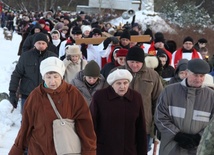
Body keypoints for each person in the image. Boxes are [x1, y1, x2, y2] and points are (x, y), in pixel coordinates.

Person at [8, 57, 96, 155]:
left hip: (66, 150)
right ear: (43, 77)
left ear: (61, 76)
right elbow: (26, 127)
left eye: (56, 76)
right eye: (48, 77)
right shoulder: (35, 96)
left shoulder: (72, 93)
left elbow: (85, 125)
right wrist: (16, 151)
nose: (52, 81)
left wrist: (89, 151)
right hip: (39, 149)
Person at [155, 58, 214, 155]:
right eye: (195, 75)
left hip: (197, 149)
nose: (198, 79)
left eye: (202, 76)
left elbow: (212, 124)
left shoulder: (211, 96)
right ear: (187, 73)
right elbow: (160, 117)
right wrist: (177, 135)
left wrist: (199, 137)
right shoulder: (169, 91)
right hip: (171, 149)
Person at [90, 69, 147, 155]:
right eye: (118, 83)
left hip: (129, 150)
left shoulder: (136, 97)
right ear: (112, 84)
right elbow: (92, 125)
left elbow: (140, 128)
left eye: (125, 83)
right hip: (105, 150)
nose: (122, 86)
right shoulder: (100, 97)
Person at [116, 46, 163, 151]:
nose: (135, 65)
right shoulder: (117, 73)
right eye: (132, 62)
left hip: (144, 125)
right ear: (127, 61)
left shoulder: (153, 76)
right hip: (120, 125)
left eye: (138, 62)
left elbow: (158, 101)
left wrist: (156, 124)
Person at [9, 33, 57, 113]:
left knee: (45, 120)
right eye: (39, 43)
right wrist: (12, 92)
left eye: (43, 43)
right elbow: (16, 74)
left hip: (47, 94)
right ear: (34, 44)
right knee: (27, 120)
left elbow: (59, 76)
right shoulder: (25, 56)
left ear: (47, 45)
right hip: (28, 94)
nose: (41, 45)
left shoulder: (53, 58)